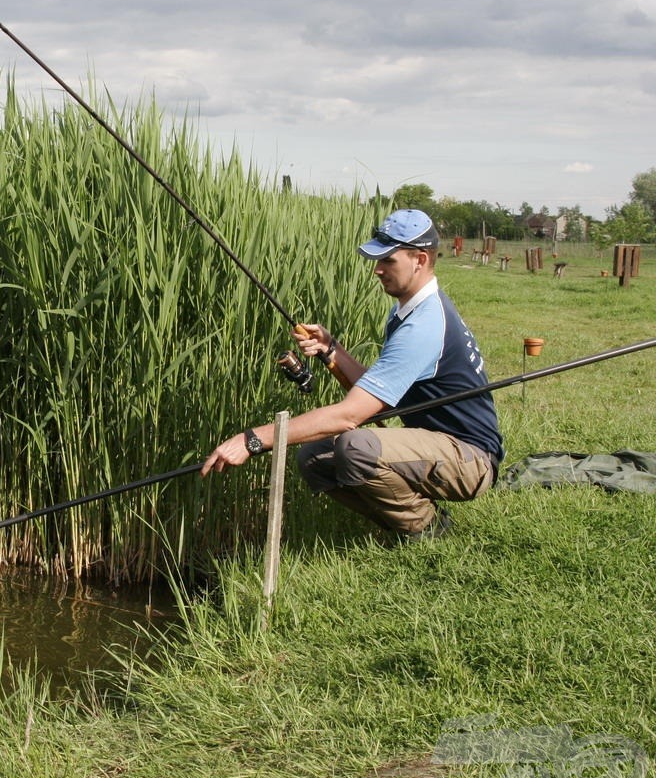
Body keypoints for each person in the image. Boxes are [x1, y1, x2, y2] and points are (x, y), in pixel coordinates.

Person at [201, 209, 503, 542]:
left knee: (356, 447)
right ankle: (399, 526)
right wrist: (332, 350)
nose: (378, 269)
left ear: (419, 259)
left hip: (471, 459)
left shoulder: (424, 325)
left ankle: (428, 532)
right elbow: (381, 401)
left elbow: (351, 415)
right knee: (314, 457)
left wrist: (254, 439)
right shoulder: (409, 309)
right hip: (437, 444)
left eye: (388, 260)